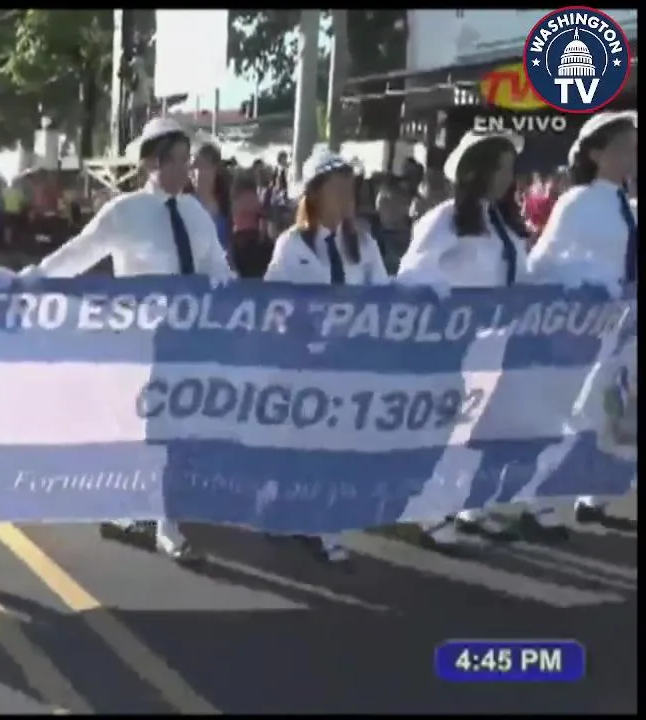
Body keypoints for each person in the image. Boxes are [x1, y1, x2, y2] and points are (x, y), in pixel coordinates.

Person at [16, 117, 235, 564]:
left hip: (189, 340)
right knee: (151, 432)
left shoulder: (195, 213)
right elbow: (79, 253)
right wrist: (31, 280)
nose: (188, 170)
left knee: (175, 432)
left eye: (189, 161)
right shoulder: (125, 212)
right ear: (153, 163)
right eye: (178, 160)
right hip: (141, 345)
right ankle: (164, 524)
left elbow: (217, 267)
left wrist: (230, 293)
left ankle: (141, 511)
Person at [395, 130, 538, 548]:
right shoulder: (445, 221)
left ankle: (470, 504)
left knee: (483, 432)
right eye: (502, 168)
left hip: (497, 345)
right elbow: (412, 277)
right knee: (445, 432)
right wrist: (450, 305)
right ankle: (429, 513)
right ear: (478, 172)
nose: (509, 177)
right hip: (455, 345)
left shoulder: (504, 222)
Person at [264, 150, 390, 562]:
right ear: (314, 194)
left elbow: (383, 296)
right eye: (337, 190)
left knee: (333, 449)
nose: (346, 198)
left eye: (350, 189)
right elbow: (274, 303)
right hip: (304, 363)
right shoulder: (292, 245)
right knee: (300, 445)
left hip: (348, 362)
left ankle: (320, 524)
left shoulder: (363, 244)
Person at [528, 110, 638, 529]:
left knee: (619, 416)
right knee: (571, 416)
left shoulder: (627, 206)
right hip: (585, 328)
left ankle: (597, 498)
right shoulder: (577, 203)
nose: (632, 156)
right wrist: (588, 284)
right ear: (595, 154)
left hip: (625, 330)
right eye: (623, 148)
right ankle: (540, 504)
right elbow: (544, 264)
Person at [190, 133, 233, 256]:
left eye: (203, 166)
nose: (197, 173)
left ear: (215, 169)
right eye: (194, 167)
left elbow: (228, 244)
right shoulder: (184, 203)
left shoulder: (224, 202)